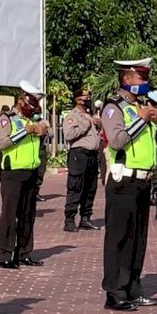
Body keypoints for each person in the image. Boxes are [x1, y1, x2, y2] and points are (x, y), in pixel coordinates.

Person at [101, 58, 157, 311]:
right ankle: (114, 292)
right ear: (127, 79)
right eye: (141, 78)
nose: (145, 83)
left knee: (138, 238)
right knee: (119, 237)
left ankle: (133, 288)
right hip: (123, 180)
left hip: (142, 180)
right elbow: (116, 141)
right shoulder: (113, 108)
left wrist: (154, 122)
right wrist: (142, 120)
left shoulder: (141, 107)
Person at [0, 82, 46, 269]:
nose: (33, 108)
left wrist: (42, 131)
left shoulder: (32, 120)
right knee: (10, 214)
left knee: (27, 213)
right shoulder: (6, 118)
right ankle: (4, 254)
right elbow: (2, 143)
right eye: (31, 102)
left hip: (30, 171)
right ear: (21, 99)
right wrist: (25, 131)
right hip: (12, 173)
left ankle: (24, 252)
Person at [62, 87, 102, 232]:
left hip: (92, 155)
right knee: (75, 187)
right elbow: (69, 135)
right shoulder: (72, 116)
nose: (87, 100)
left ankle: (86, 217)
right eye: (84, 98)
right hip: (78, 155)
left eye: (88, 98)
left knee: (90, 188)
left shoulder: (91, 115)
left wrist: (99, 125)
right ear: (77, 99)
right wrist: (85, 125)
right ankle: (70, 219)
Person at [33, 112, 50, 203]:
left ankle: (36, 192)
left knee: (41, 171)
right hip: (32, 150)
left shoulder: (44, 122)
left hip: (41, 150)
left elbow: (51, 134)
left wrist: (45, 129)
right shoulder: (29, 122)